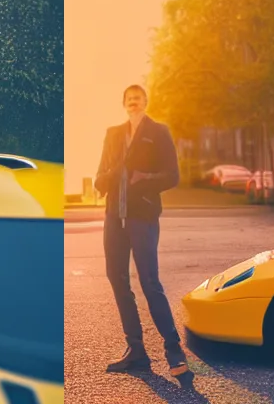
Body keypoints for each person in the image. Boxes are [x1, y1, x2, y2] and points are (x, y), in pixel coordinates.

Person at [94, 84, 187, 377]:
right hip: (114, 217)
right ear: (124, 103)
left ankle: (174, 350)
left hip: (143, 215)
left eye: (138, 98)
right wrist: (113, 173)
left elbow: (172, 175)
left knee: (149, 281)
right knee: (117, 279)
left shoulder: (158, 132)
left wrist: (142, 178)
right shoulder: (112, 134)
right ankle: (136, 350)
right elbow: (99, 178)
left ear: (146, 102)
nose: (133, 102)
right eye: (129, 99)